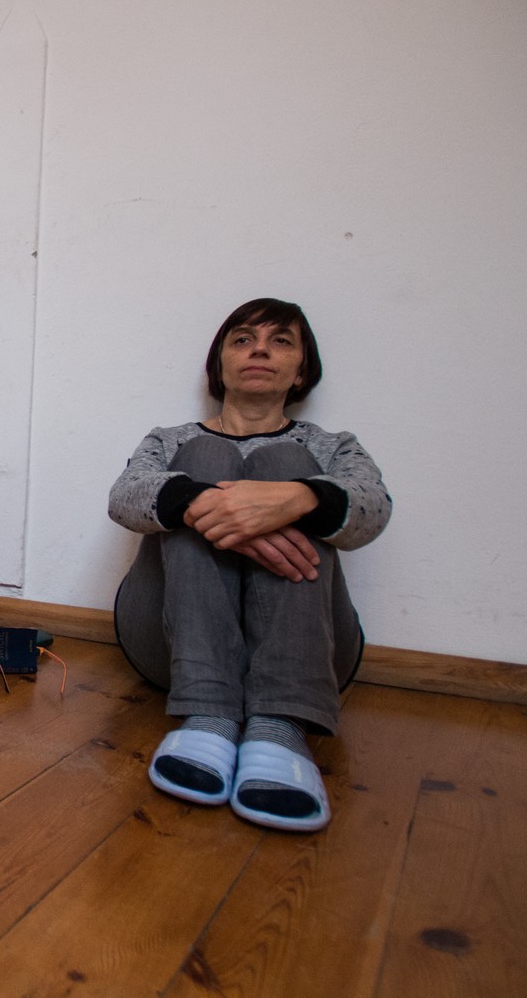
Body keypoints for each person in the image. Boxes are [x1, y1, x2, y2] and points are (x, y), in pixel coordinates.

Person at [108, 298, 390, 832]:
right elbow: (124, 499)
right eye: (242, 340)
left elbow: (372, 512)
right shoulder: (169, 439)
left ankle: (279, 725)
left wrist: (299, 498)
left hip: (312, 654)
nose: (259, 350)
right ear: (220, 365)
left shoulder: (331, 447)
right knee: (203, 457)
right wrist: (205, 504)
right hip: (171, 645)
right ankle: (209, 713)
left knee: (285, 462)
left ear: (301, 369)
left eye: (280, 341)